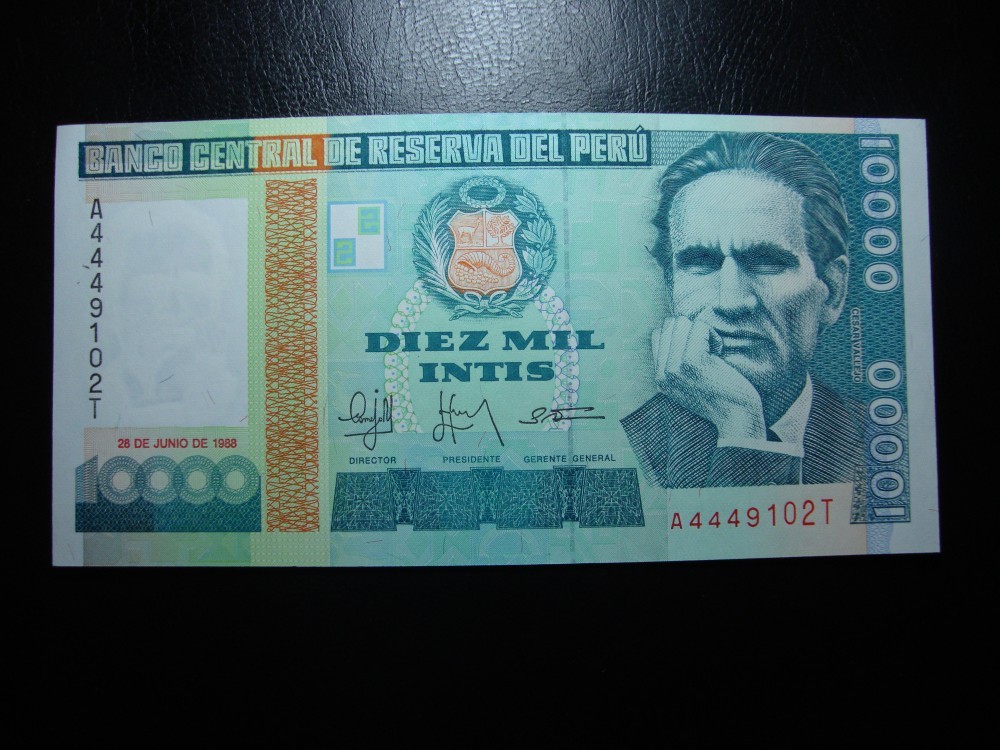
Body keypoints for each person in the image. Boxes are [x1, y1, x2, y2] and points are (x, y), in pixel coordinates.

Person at [621, 132, 864, 488]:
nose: (731, 301)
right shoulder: (626, 449)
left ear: (832, 291)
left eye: (766, 262)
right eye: (701, 263)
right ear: (671, 285)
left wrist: (742, 430)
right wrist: (739, 422)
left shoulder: (889, 443)